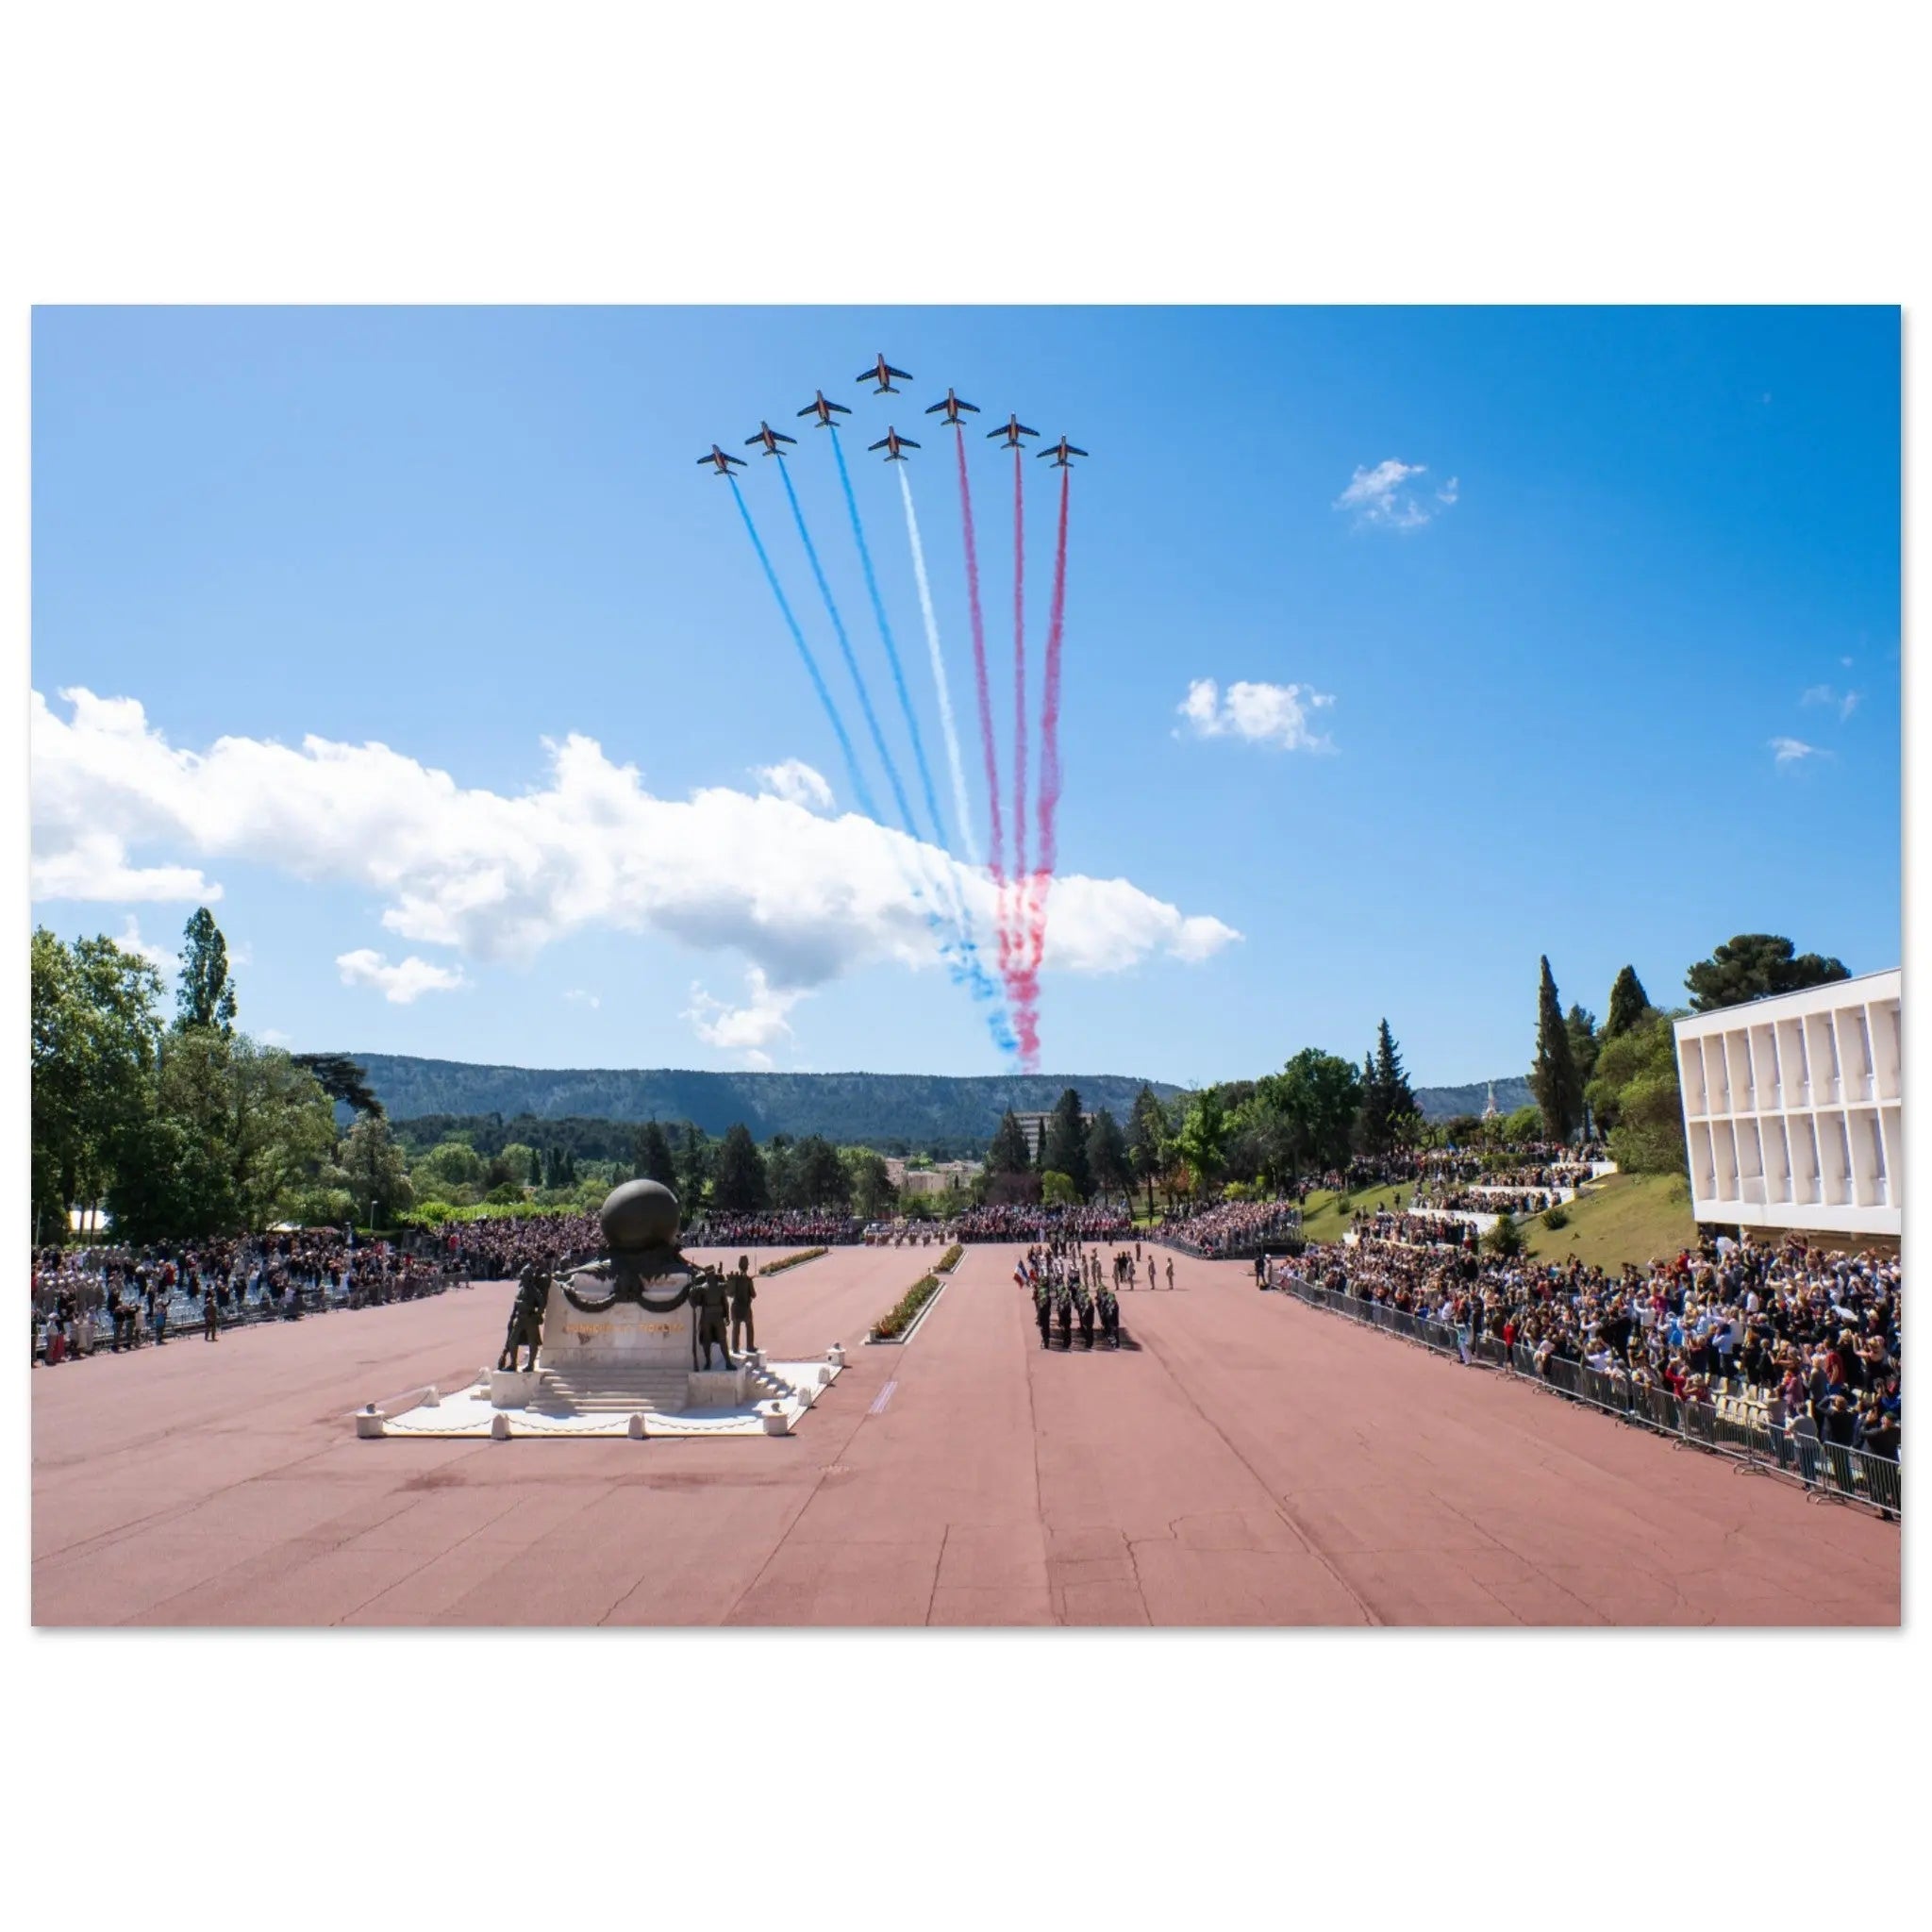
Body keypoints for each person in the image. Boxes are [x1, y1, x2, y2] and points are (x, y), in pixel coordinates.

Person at [727, 1256, 757, 1355]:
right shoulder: (748, 1280)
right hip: (745, 1307)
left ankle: (735, 1348)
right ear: (747, 1267)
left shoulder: (734, 1278)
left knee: (736, 1328)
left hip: (735, 1307)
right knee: (749, 1326)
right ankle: (750, 1346)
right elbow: (753, 1294)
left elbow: (730, 1294)